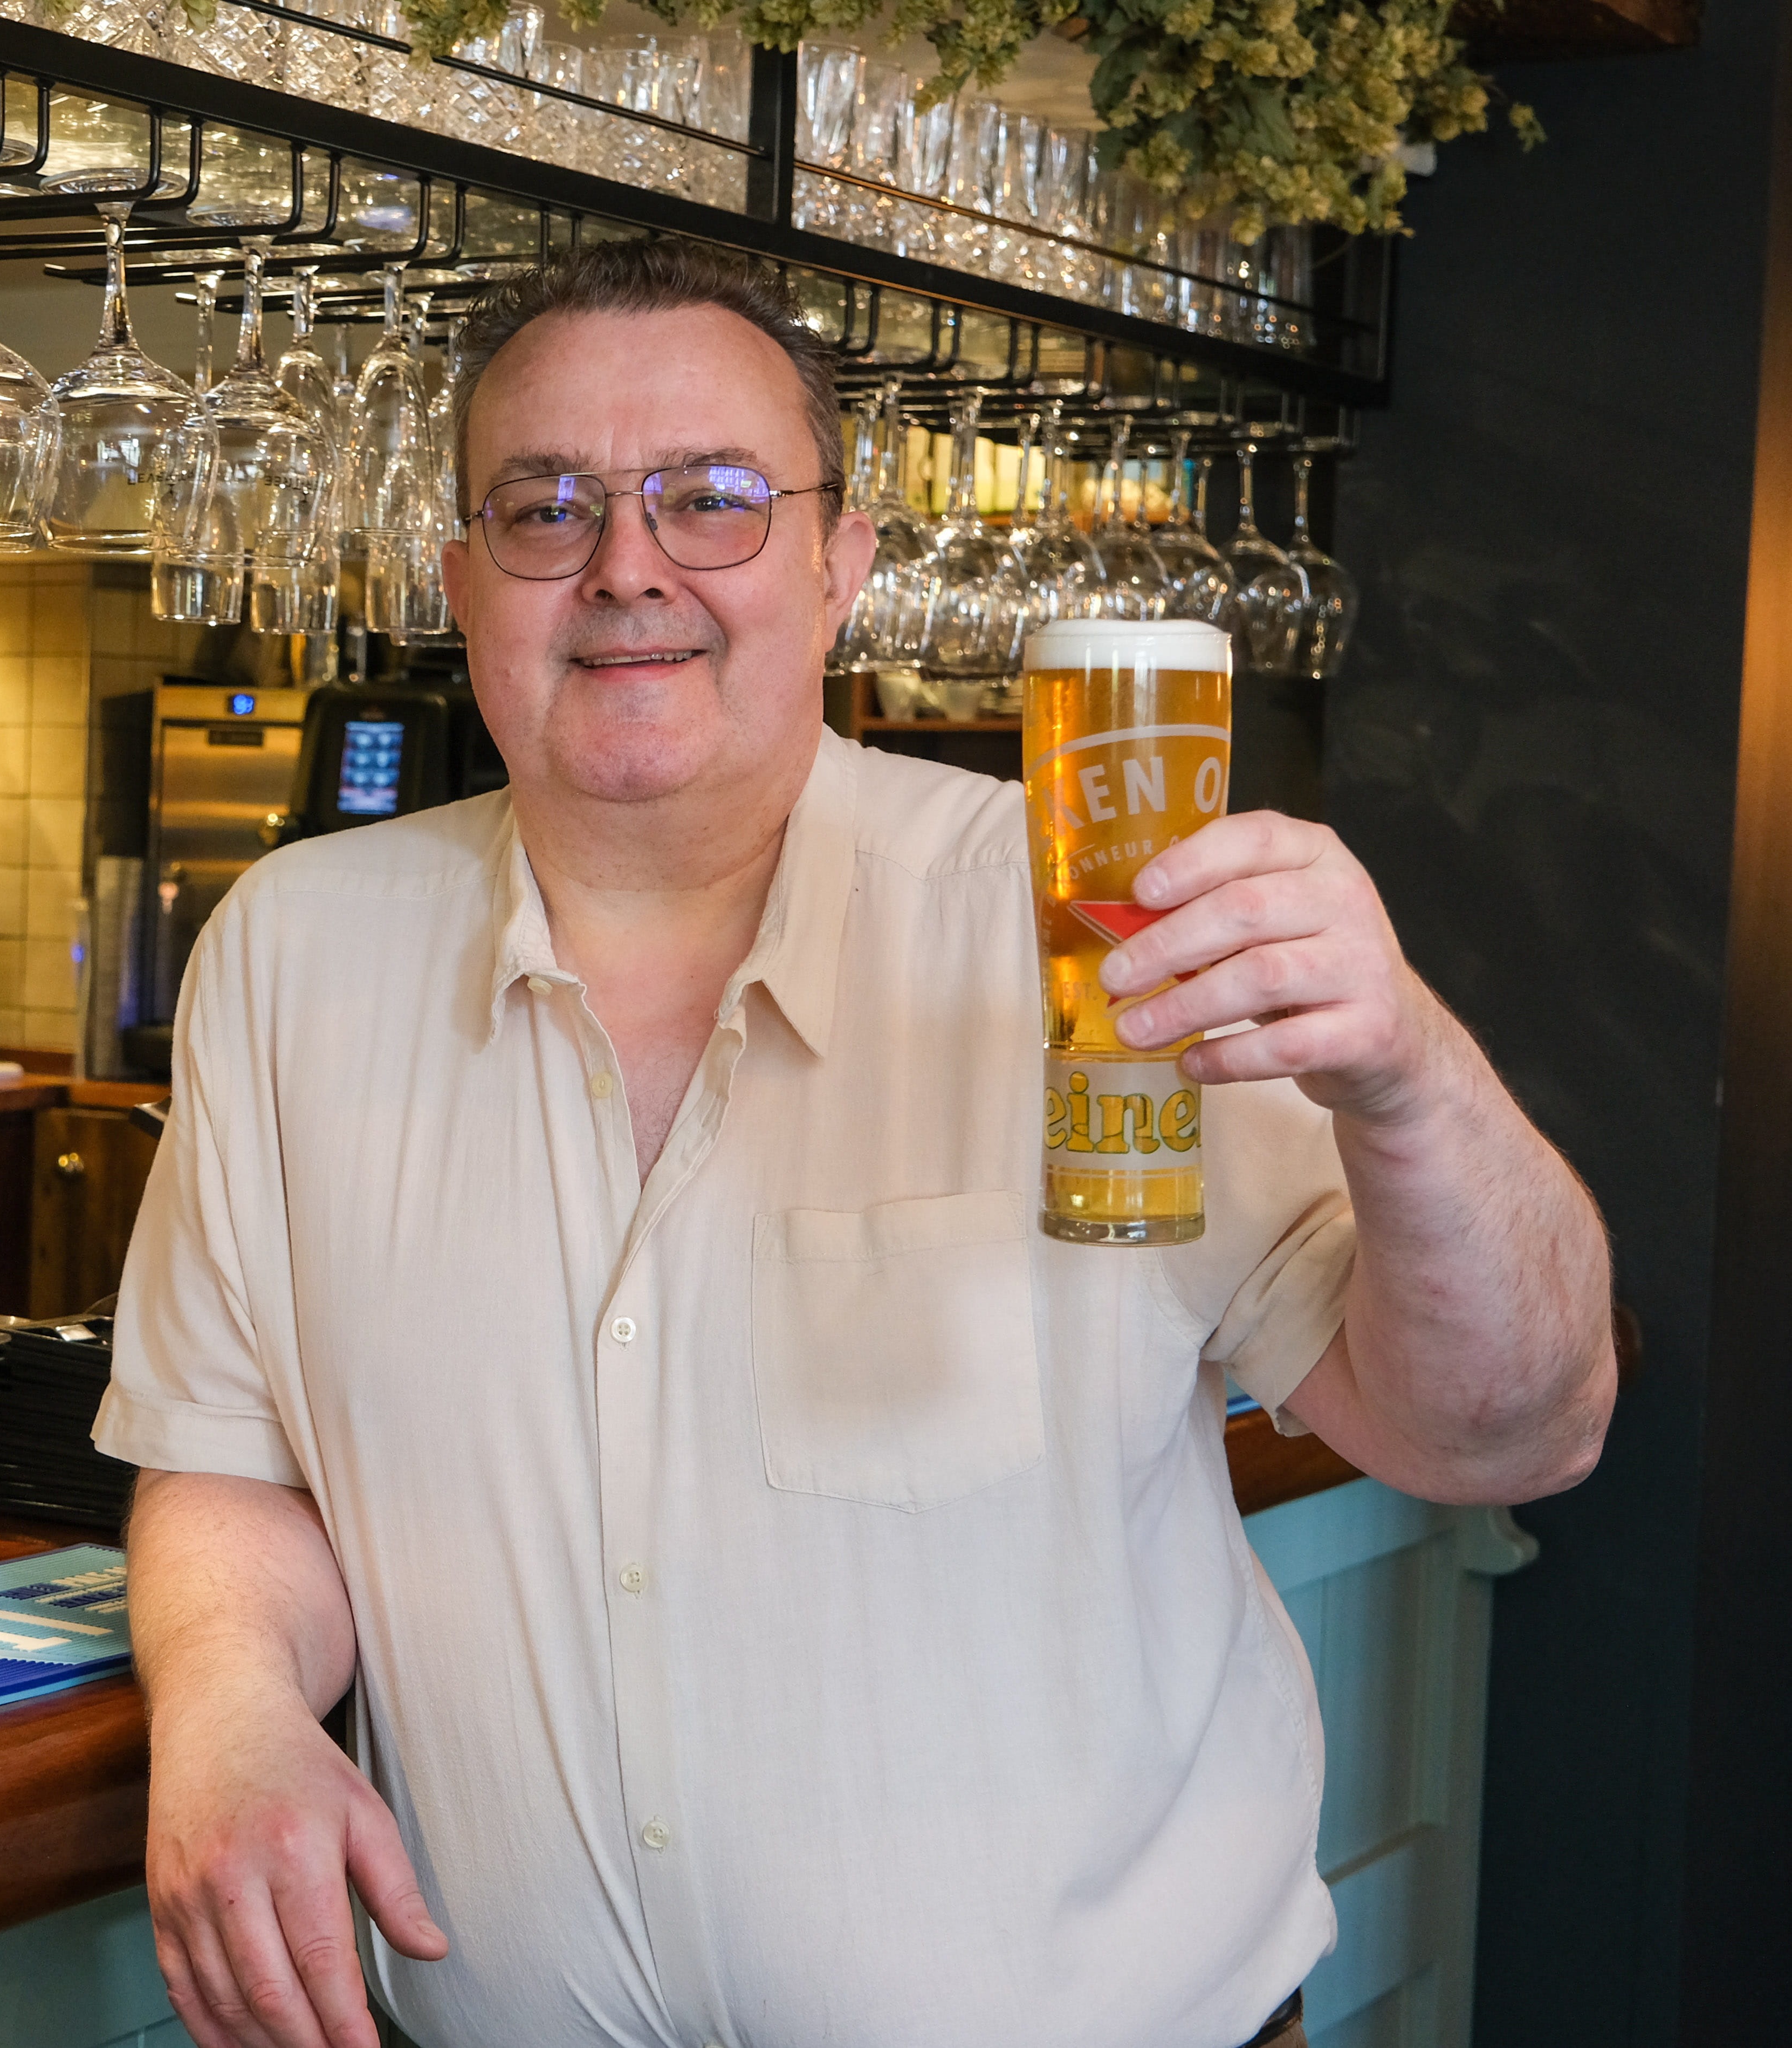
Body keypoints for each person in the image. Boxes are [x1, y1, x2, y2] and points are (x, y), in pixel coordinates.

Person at [92, 241, 1615, 2048]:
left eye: (715, 500)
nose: (627, 565)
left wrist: (1405, 1075)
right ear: (460, 581)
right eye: (545, 506)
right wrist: (233, 1708)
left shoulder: (1087, 927)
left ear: (843, 569)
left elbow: (1513, 1426)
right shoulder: (292, 954)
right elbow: (226, 1463)